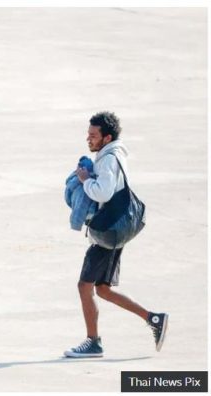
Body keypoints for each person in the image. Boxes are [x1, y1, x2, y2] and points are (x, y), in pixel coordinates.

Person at [64, 111, 168, 358]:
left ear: (106, 137)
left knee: (84, 286)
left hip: (109, 232)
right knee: (102, 289)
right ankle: (154, 319)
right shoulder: (111, 154)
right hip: (115, 230)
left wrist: (85, 179)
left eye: (93, 135)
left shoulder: (109, 159)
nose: (88, 139)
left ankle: (93, 342)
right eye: (87, 134)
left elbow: (103, 193)